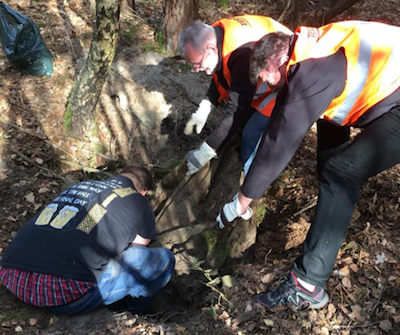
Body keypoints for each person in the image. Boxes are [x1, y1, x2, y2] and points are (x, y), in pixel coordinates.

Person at [216, 21, 400, 309]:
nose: (265, 85)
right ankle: (333, 222)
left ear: (276, 60)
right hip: (390, 91)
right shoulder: (310, 51)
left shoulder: (315, 71)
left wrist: (241, 201)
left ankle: (308, 284)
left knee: (342, 174)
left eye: (266, 78)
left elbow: (281, 141)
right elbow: (281, 120)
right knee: (333, 162)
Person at [0, 165, 175, 315]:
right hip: (60, 292)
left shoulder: (81, 186)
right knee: (163, 260)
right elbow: (137, 249)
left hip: (12, 277)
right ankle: (130, 313)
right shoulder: (139, 202)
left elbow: (81, 228)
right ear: (144, 192)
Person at [178, 16, 292, 175]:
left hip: (284, 81)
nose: (197, 69)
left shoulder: (243, 55)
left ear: (211, 49)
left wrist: (206, 150)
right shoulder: (214, 35)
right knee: (239, 122)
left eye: (197, 63)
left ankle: (248, 175)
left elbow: (237, 110)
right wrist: (205, 106)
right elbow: (222, 76)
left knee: (250, 134)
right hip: (262, 70)